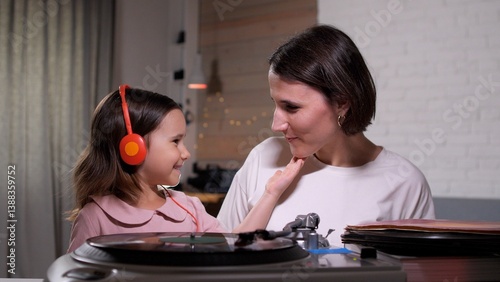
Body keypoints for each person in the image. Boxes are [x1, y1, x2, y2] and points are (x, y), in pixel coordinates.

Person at [217, 25, 435, 247]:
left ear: (342, 102)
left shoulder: (405, 184)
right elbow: (218, 256)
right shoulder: (263, 158)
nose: (276, 125)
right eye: (275, 104)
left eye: (291, 107)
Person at [66, 85, 302, 253]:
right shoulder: (96, 216)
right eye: (175, 141)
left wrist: (271, 193)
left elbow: (235, 245)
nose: (185, 152)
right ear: (132, 148)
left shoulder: (189, 210)